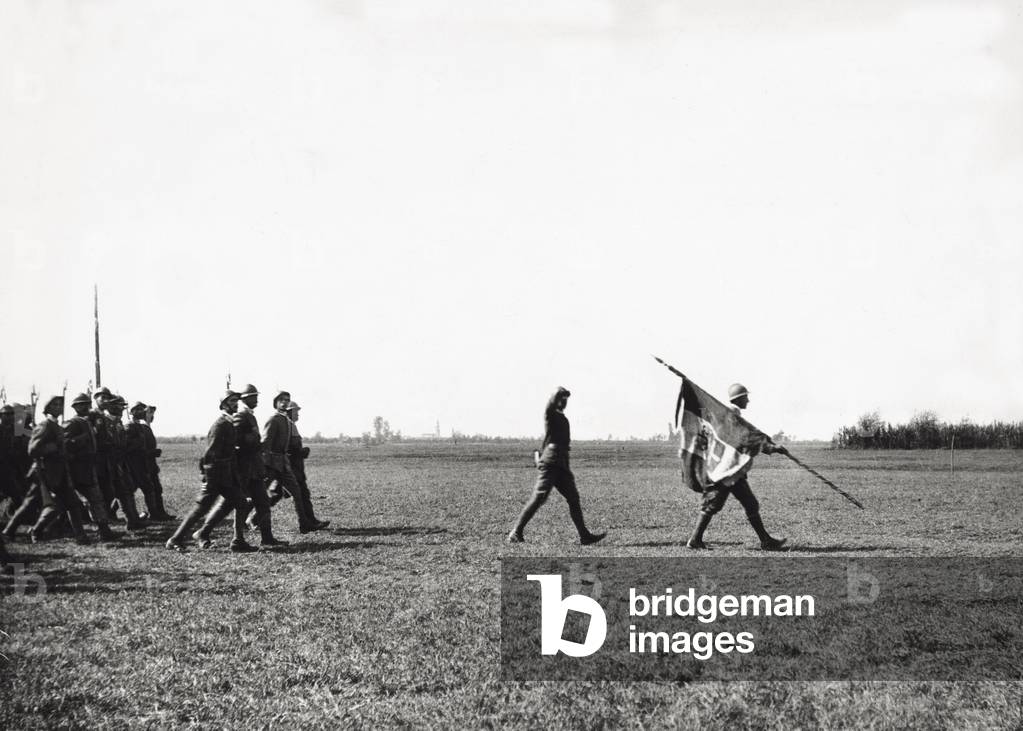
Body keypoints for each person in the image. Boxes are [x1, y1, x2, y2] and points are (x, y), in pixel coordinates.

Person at [685, 383, 787, 551]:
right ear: (738, 398)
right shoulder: (731, 414)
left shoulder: (726, 414)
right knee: (713, 504)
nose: (748, 399)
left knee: (750, 504)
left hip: (732, 471)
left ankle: (766, 540)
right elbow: (744, 439)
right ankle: (695, 540)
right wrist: (770, 448)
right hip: (725, 472)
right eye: (746, 396)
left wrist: (769, 445)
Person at [507, 387, 606, 545]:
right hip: (551, 462)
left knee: (573, 498)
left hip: (561, 464)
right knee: (539, 496)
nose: (564, 402)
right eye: (561, 398)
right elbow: (550, 404)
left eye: (566, 399)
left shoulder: (562, 418)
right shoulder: (550, 414)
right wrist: (560, 391)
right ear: (556, 399)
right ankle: (516, 532)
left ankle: (584, 536)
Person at [194, 384, 285, 547]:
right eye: (253, 396)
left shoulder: (248, 415)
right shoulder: (241, 415)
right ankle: (208, 533)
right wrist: (249, 441)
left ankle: (266, 538)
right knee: (228, 504)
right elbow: (231, 441)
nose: (256, 400)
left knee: (262, 502)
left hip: (253, 469)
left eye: (256, 396)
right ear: (244, 399)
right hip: (243, 469)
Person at [166, 390, 257, 553]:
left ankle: (238, 541)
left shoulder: (229, 423)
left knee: (242, 502)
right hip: (216, 476)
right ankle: (175, 540)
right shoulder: (220, 425)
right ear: (223, 405)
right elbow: (210, 454)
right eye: (231, 401)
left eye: (236, 400)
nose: (235, 404)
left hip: (226, 477)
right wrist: (209, 479)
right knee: (200, 509)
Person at [24, 395, 90, 544]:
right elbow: (33, 450)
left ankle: (80, 536)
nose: (59, 407)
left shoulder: (58, 427)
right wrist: (53, 448)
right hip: (49, 472)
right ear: (47, 409)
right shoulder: (45, 425)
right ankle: (36, 530)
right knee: (54, 507)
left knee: (72, 504)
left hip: (62, 472)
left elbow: (64, 447)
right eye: (54, 405)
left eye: (60, 404)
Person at [263, 391, 324, 533]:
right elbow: (265, 444)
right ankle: (247, 521)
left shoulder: (286, 422)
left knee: (297, 493)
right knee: (259, 494)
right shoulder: (273, 420)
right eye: (281, 400)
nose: (284, 402)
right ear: (275, 403)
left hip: (284, 464)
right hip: (272, 465)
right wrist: (264, 465)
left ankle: (304, 524)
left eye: (287, 400)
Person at [64, 393, 120, 541]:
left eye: (87, 404)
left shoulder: (88, 422)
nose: (86, 407)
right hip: (77, 468)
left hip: (89, 467)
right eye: (81, 404)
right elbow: (66, 443)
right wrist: (83, 439)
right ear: (75, 407)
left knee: (96, 499)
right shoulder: (72, 423)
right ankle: (51, 528)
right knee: (68, 502)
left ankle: (103, 530)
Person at [143, 404, 175, 520]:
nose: (152, 416)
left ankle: (158, 513)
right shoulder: (142, 428)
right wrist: (153, 452)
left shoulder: (147, 427)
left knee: (156, 488)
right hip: (144, 465)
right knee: (151, 489)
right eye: (149, 413)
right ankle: (155, 513)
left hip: (150, 464)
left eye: (152, 413)